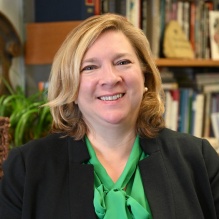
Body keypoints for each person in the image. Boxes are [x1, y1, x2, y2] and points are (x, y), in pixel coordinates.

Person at [0, 13, 219, 219]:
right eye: (90, 67)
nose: (110, 78)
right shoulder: (26, 168)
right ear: (70, 87)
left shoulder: (198, 158)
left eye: (122, 62)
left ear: (145, 75)